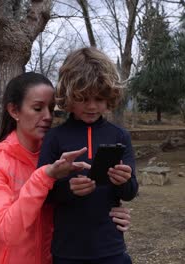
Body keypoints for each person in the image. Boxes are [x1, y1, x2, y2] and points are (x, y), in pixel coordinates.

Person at [0, 72, 132, 264]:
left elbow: (72, 202)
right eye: (38, 108)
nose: (48, 117)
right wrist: (45, 176)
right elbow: (7, 231)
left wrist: (110, 212)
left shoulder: (59, 155)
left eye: (51, 108)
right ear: (14, 111)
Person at [38, 47, 138, 264]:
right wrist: (68, 189)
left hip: (111, 248)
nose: (92, 106)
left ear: (110, 96)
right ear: (69, 96)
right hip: (67, 251)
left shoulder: (120, 136)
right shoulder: (54, 138)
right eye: (83, 98)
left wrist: (124, 181)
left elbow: (130, 192)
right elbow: (43, 195)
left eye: (100, 98)